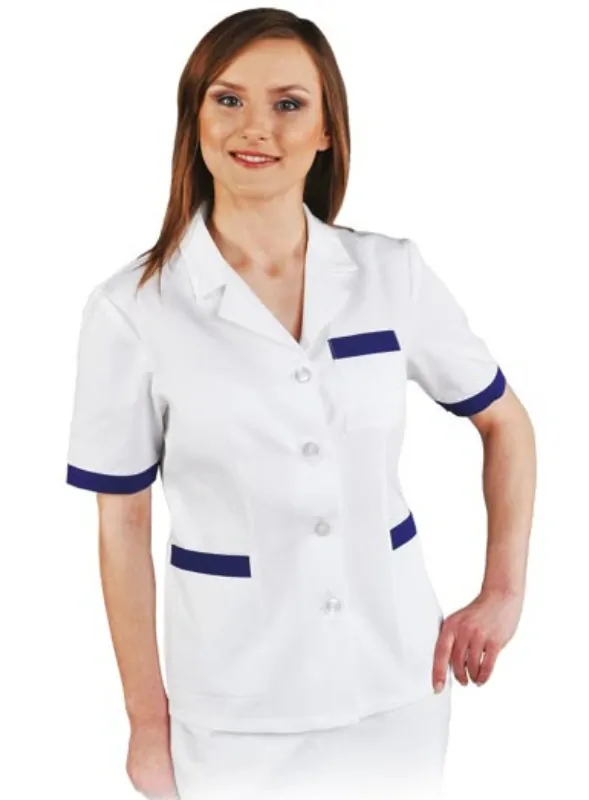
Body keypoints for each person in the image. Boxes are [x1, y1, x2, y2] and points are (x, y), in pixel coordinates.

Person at [64, 7, 536, 800]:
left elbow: (505, 422)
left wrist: (503, 592)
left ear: (325, 131)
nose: (256, 126)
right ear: (194, 118)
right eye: (227, 99)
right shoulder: (132, 310)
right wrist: (146, 722)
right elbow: (122, 524)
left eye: (288, 103)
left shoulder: (390, 275)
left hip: (396, 679)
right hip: (236, 705)